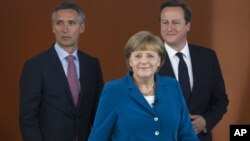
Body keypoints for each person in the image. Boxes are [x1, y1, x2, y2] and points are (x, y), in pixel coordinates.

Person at [88, 31, 198, 141]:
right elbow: (98, 137)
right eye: (138, 56)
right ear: (130, 61)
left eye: (150, 56)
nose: (144, 61)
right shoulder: (113, 90)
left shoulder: (172, 86)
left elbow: (187, 134)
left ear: (159, 60)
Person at [19, 2, 104, 141]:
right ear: (53, 27)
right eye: (59, 23)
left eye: (71, 23)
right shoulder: (35, 66)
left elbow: (99, 114)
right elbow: (28, 119)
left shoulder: (92, 65)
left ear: (82, 27)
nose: (65, 29)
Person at [158, 0, 229, 141]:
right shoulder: (147, 59)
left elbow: (220, 100)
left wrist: (205, 121)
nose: (169, 28)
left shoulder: (208, 57)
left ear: (188, 25)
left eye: (175, 22)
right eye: (164, 22)